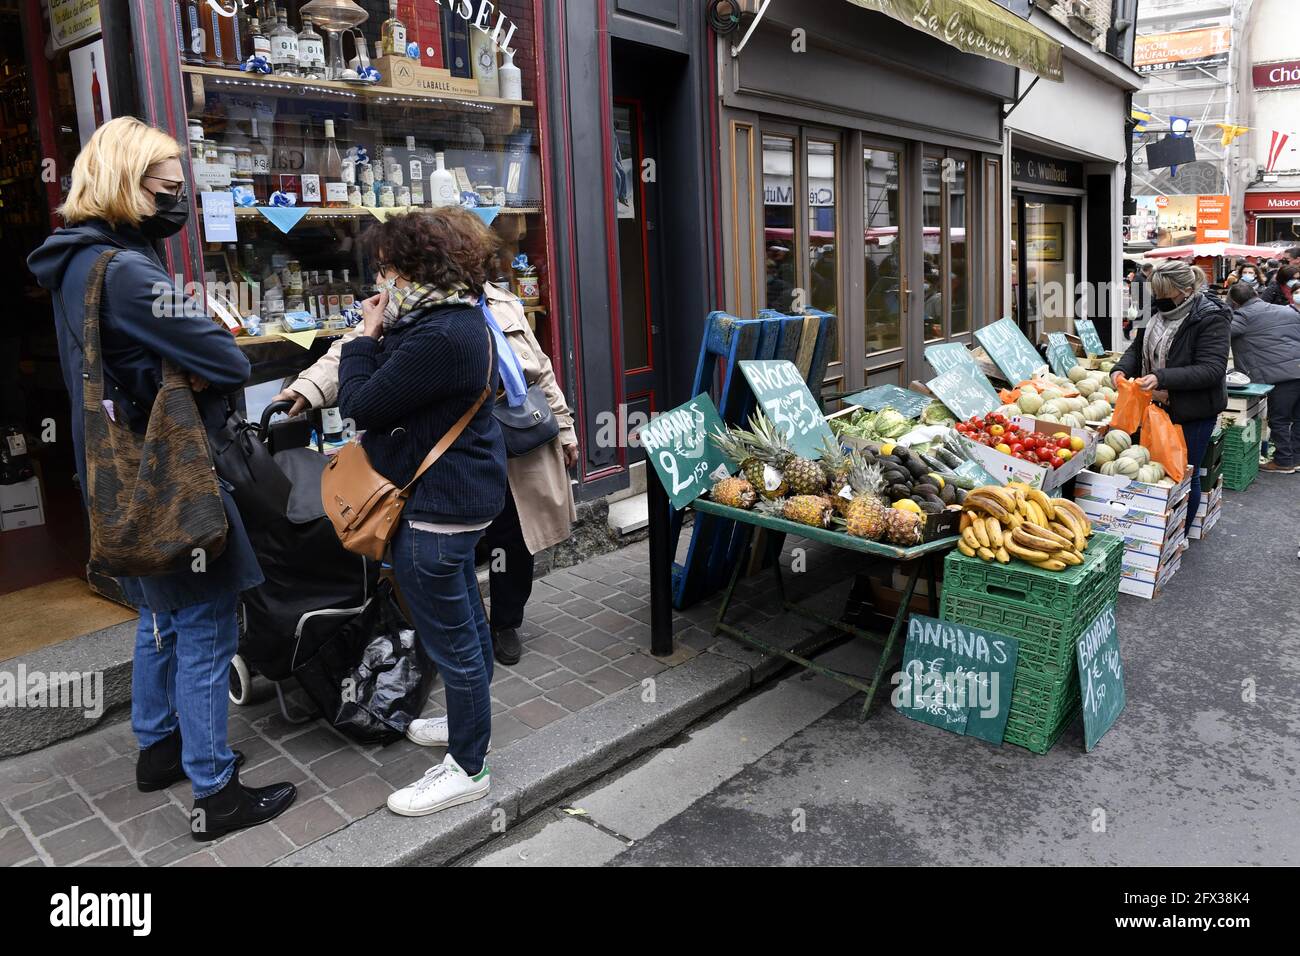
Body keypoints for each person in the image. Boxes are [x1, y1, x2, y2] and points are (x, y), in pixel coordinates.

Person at [26, 117, 296, 840]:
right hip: (170, 473)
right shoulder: (133, 272)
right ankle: (217, 794)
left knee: (158, 618)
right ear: (126, 184)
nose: (178, 200)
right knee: (206, 624)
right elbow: (228, 360)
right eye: (167, 189)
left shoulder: (75, 261)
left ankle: (158, 746)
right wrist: (200, 331)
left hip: (116, 475)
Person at [273, 229, 577, 669]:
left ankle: (506, 620)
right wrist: (307, 387)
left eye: (390, 266)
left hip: (517, 430)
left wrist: (564, 428)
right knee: (461, 545)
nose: (384, 276)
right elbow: (350, 349)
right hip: (454, 441)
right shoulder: (412, 308)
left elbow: (542, 370)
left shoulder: (501, 303)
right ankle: (467, 634)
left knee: (514, 535)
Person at [335, 209, 508, 816]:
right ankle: (469, 723)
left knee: (452, 638)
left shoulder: (442, 334)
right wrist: (381, 337)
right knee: (464, 619)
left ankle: (468, 765)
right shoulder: (446, 317)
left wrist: (362, 338)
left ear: (417, 267)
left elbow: (361, 403)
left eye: (389, 266)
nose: (384, 278)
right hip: (457, 496)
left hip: (439, 506)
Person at [1112, 260, 1229, 536]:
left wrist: (1163, 377)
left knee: (1183, 473)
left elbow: (1211, 369)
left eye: (1167, 294)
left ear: (1187, 289)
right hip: (1154, 403)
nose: (1161, 300)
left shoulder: (1211, 317)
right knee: (1154, 469)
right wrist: (1120, 369)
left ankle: (1179, 536)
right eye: (1157, 294)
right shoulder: (1155, 311)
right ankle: (1155, 532)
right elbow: (1137, 347)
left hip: (1193, 410)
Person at [1227, 282, 1300, 474]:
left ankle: (1284, 461)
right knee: (1298, 418)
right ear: (1255, 293)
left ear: (1234, 301)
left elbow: (1220, 335)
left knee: (1280, 419)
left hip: (1279, 376)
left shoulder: (1242, 316)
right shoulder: (1288, 311)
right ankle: (1296, 457)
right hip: (1297, 370)